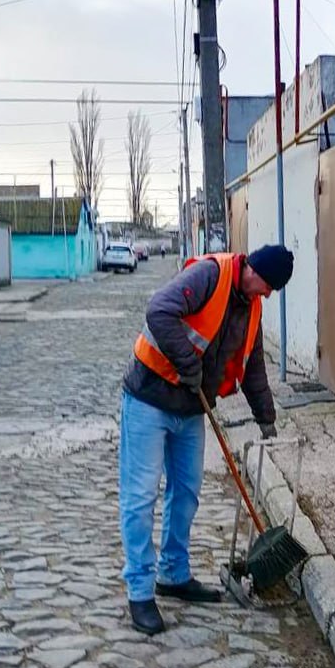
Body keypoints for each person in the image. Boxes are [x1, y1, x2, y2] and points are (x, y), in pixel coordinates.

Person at [119, 243, 294, 635]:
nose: (266, 294)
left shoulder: (252, 307)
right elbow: (158, 311)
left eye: (271, 291)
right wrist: (187, 363)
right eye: (266, 285)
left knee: (187, 493)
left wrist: (266, 416)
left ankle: (173, 574)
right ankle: (140, 591)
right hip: (148, 397)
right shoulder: (209, 276)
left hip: (191, 409)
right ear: (254, 268)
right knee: (141, 496)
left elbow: (254, 367)